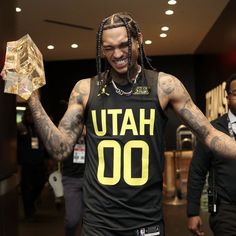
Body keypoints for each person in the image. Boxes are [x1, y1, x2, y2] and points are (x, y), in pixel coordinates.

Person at [26, 12, 236, 235]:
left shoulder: (164, 86)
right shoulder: (85, 89)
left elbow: (210, 135)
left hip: (146, 221)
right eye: (109, 48)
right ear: (101, 49)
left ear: (138, 40)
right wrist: (32, 98)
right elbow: (60, 149)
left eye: (124, 45)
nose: (117, 54)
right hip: (99, 223)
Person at [187, 74, 236, 236]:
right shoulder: (212, 130)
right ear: (227, 96)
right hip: (225, 210)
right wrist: (193, 212)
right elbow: (197, 171)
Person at [17, 108, 48, 220]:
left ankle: (32, 201)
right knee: (26, 188)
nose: (31, 117)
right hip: (26, 163)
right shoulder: (20, 127)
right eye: (29, 115)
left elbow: (43, 143)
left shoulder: (37, 128)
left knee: (41, 182)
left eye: (32, 115)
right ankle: (28, 211)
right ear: (25, 115)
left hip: (38, 161)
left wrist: (46, 157)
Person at [62, 129, 86, 236]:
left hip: (90, 179)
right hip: (71, 178)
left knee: (90, 220)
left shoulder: (92, 130)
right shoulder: (66, 131)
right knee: (72, 219)